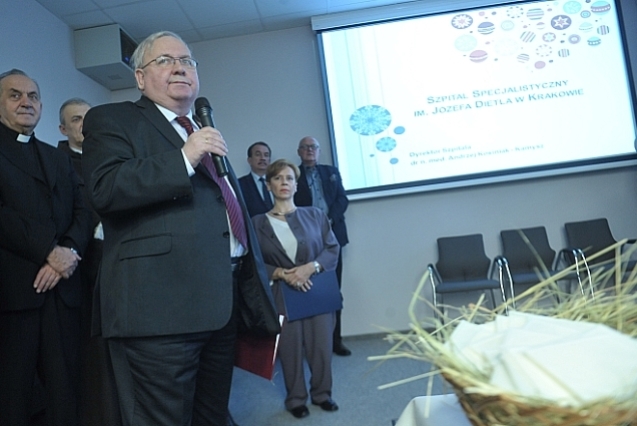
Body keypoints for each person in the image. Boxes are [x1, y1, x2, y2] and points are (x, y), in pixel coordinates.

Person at [81, 31, 275, 426]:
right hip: (158, 314)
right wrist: (185, 157)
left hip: (220, 305)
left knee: (211, 416)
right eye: (165, 60)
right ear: (139, 77)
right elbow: (106, 189)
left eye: (187, 61)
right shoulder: (112, 119)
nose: (180, 68)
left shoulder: (198, 128)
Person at [0, 69, 92, 425]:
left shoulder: (58, 158)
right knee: (13, 396)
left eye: (33, 96)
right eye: (15, 95)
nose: (27, 102)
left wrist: (67, 251)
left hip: (63, 294)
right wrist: (49, 252)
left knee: (66, 392)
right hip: (13, 294)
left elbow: (83, 211)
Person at [252, 159, 340, 419]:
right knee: (290, 350)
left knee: (321, 347)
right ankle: (296, 399)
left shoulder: (315, 215)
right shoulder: (256, 223)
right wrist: (281, 273)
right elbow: (252, 263)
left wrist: (310, 267)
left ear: (296, 185)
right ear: (269, 185)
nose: (284, 183)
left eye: (289, 178)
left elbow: (332, 249)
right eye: (277, 178)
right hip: (282, 294)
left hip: (317, 291)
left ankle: (322, 394)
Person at [57, 98, 122, 426]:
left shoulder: (114, 156)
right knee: (90, 350)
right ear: (63, 128)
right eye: (76, 119)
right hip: (81, 266)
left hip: (119, 261)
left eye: (88, 118)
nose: (84, 125)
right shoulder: (56, 162)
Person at [294, 136, 351, 356]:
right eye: (305, 147)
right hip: (306, 240)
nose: (310, 150)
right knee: (309, 291)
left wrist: (329, 220)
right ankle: (313, 343)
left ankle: (336, 341)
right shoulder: (294, 174)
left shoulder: (331, 172)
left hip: (332, 237)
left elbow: (342, 199)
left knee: (334, 291)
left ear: (319, 151)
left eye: (313, 147)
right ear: (299, 152)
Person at [238, 141, 273, 217]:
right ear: (249, 160)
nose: (263, 158)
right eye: (258, 154)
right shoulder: (239, 184)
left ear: (269, 160)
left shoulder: (277, 182)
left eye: (266, 155)